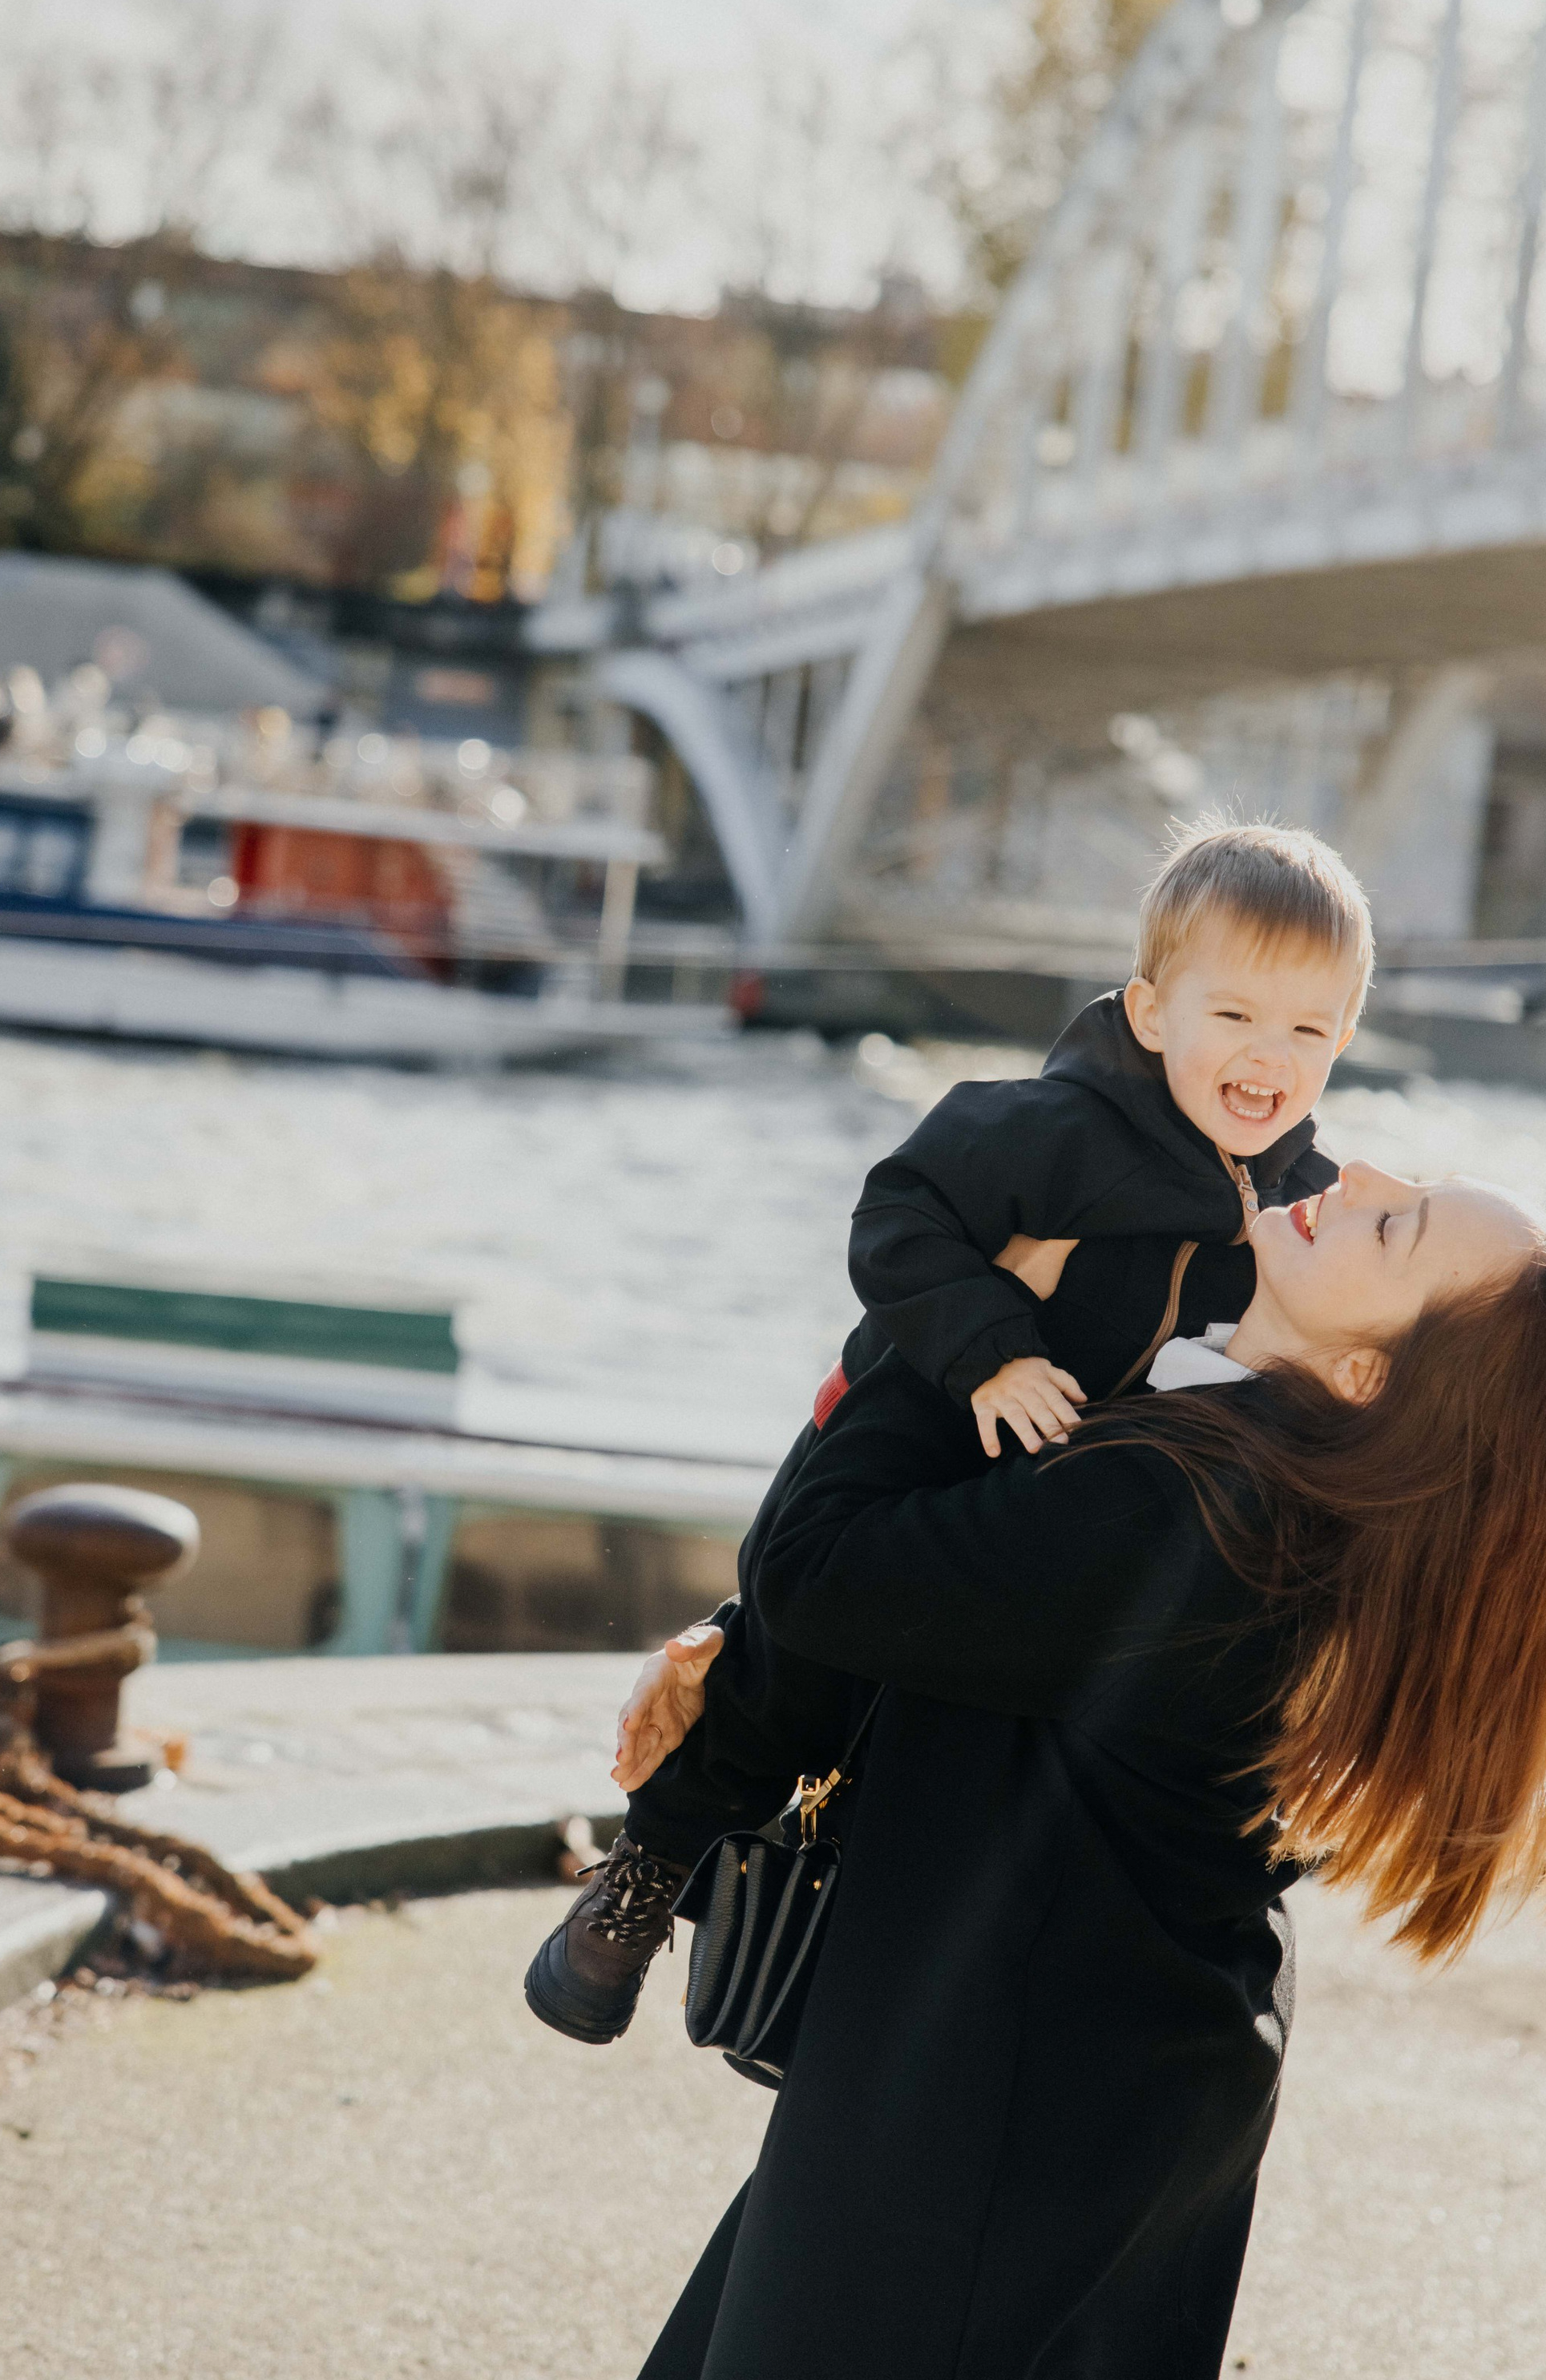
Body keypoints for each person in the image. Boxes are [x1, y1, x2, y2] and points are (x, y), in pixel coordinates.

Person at [634, 1160, 1546, 2380]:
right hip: (1067, 2080)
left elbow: (816, 1571)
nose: (1363, 1174)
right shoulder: (1250, 1493)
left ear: (1365, 1376)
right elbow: (937, 1610)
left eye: (1396, 1226)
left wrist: (951, 1326)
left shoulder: (1192, 1505)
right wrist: (732, 1651)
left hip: (994, 2107)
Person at [526, 818, 1370, 2043]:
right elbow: (897, 1214)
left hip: (1068, 1485)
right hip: (929, 1410)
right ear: (1149, 1014)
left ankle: (880, 1964)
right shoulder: (1046, 1128)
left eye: (1307, 1028)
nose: (1268, 1057)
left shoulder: (1306, 1202)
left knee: (947, 1706)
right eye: (1233, 1017)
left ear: (1344, 1037)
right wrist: (993, 1348)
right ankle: (646, 1876)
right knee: (795, 1665)